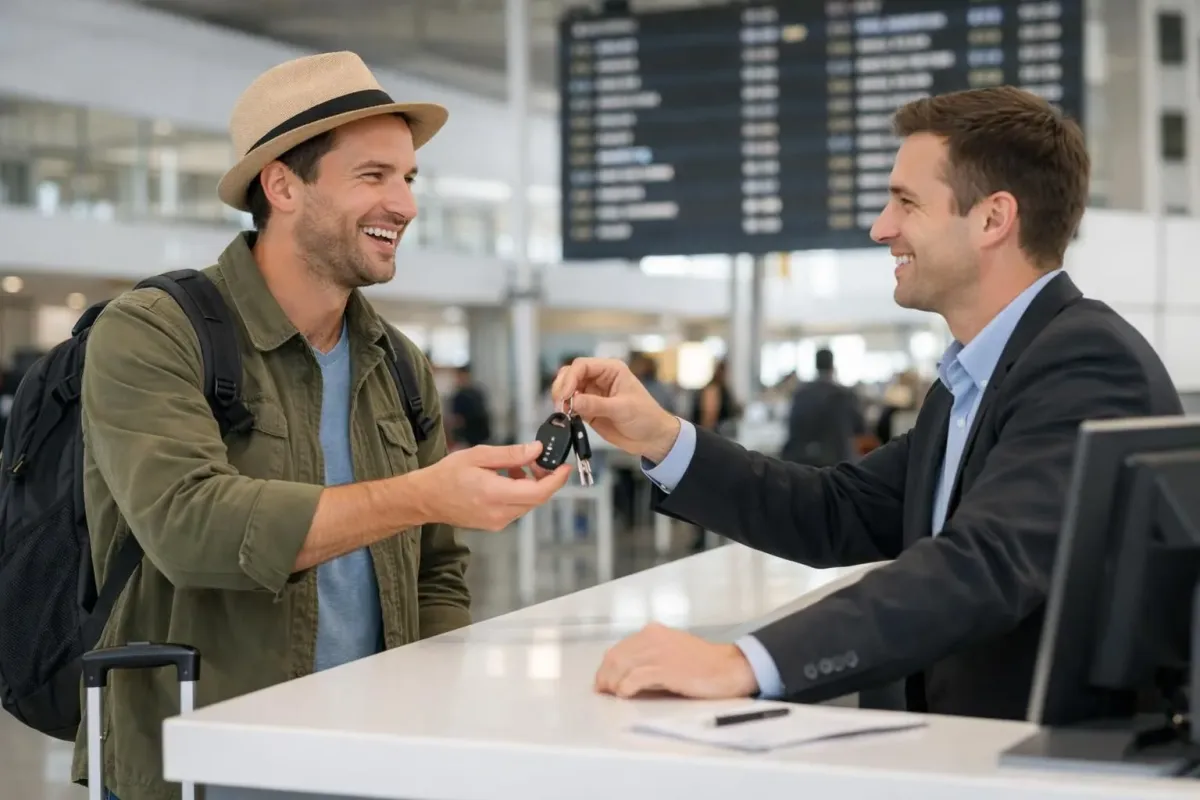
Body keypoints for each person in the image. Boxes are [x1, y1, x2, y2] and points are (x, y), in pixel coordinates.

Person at [552, 86, 1183, 721]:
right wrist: (661, 437)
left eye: (906, 202)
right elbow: (836, 510)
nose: (881, 227)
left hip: (1032, 766)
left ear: (993, 219)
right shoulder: (970, 382)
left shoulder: (1086, 365)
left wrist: (744, 663)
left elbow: (985, 564)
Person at [75, 52, 571, 799]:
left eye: (409, 179)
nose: (403, 204)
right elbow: (189, 529)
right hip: (203, 765)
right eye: (373, 176)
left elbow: (437, 569)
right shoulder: (153, 332)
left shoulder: (396, 364)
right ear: (282, 184)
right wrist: (423, 494)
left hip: (371, 760)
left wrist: (437, 719)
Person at [780, 348, 866, 466]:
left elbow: (790, 426)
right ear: (832, 365)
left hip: (802, 464)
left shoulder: (800, 394)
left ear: (816, 365)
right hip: (838, 463)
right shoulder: (845, 395)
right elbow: (860, 429)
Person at [447, 364, 492, 449]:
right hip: (467, 437)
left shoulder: (476, 392)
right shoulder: (458, 395)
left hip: (479, 435)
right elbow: (456, 419)